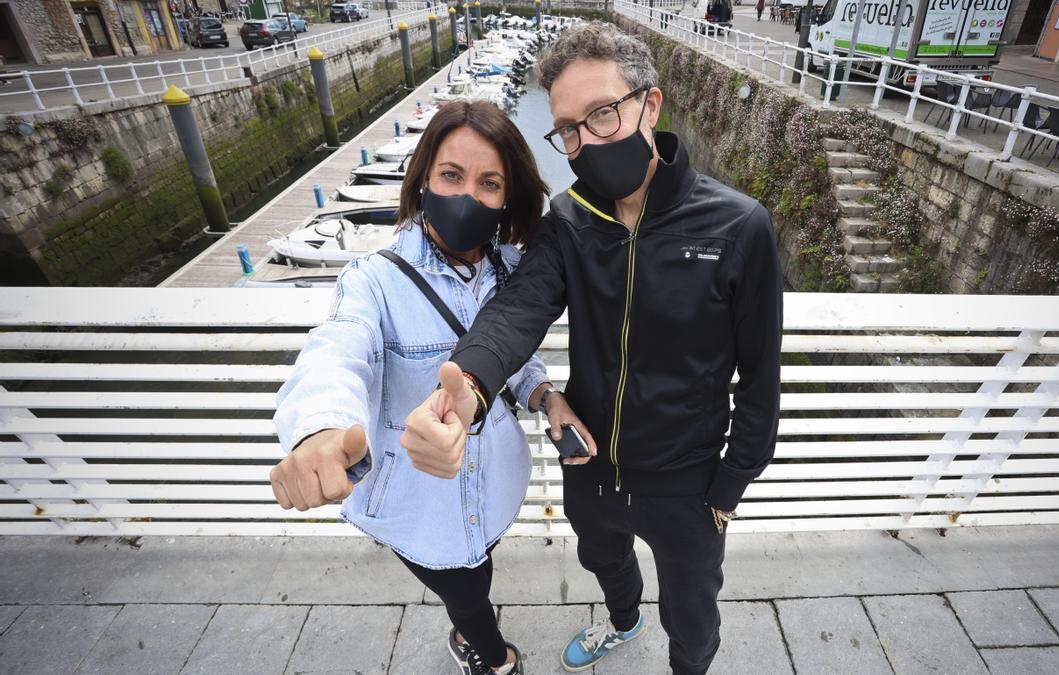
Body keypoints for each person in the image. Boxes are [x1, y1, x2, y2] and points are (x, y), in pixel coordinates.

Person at [401, 22, 783, 675]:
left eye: (601, 115)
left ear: (649, 105)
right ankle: (623, 617)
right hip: (592, 461)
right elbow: (518, 308)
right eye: (568, 129)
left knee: (692, 613)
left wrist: (730, 484)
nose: (584, 142)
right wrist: (469, 377)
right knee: (602, 559)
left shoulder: (738, 225)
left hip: (688, 481)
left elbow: (760, 376)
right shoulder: (569, 223)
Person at [269, 100, 596, 675]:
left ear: (506, 200)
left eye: (488, 182)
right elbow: (339, 347)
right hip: (418, 508)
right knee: (466, 595)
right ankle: (492, 658)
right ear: (422, 182)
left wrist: (547, 396)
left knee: (479, 571)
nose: (467, 195)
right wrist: (318, 428)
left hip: (491, 488)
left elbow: (513, 357)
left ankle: (472, 628)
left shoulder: (509, 271)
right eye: (451, 175)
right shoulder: (373, 280)